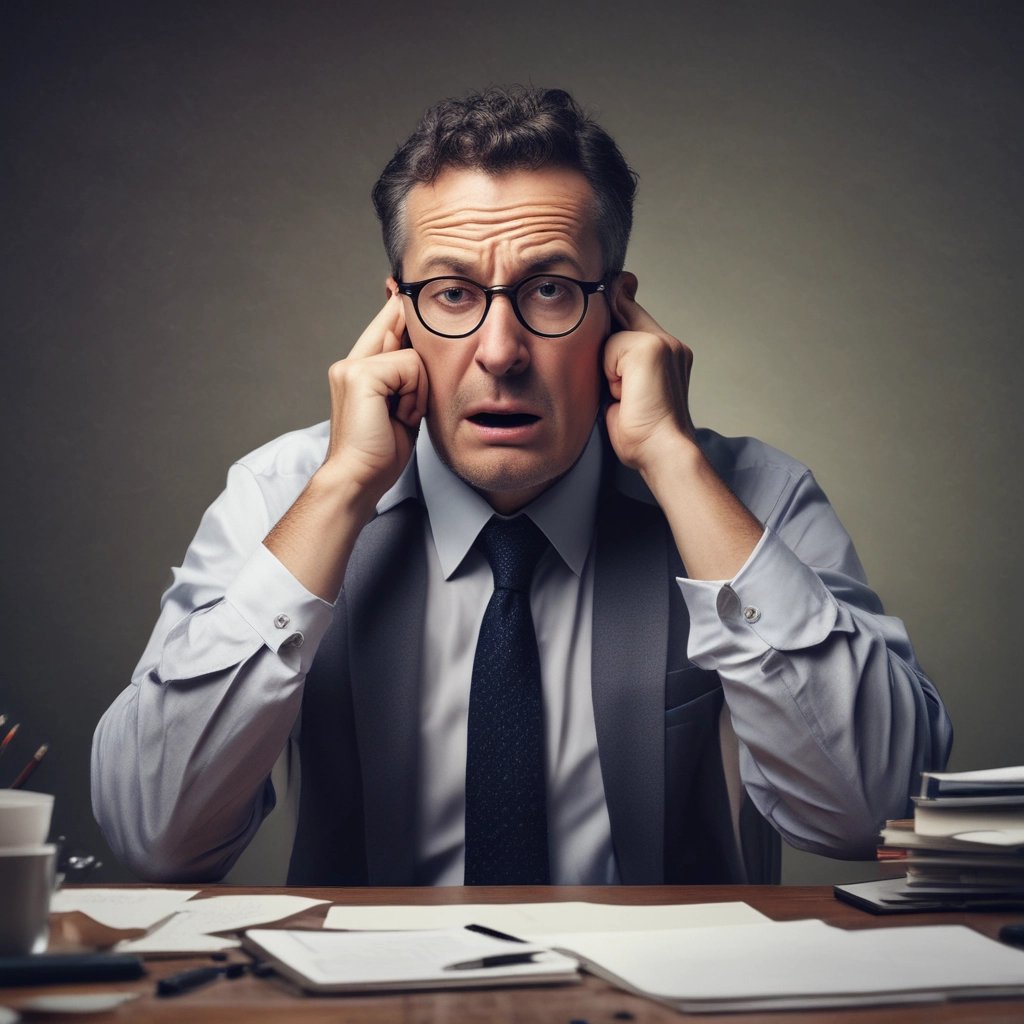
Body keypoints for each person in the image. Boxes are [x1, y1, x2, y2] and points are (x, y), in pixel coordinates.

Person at [91, 86, 952, 886]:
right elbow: (155, 834)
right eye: (453, 293)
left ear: (617, 311)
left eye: (547, 290)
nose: (499, 352)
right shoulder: (286, 494)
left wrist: (676, 465)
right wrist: (342, 492)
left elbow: (875, 812)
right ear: (397, 317)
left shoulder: (743, 493)